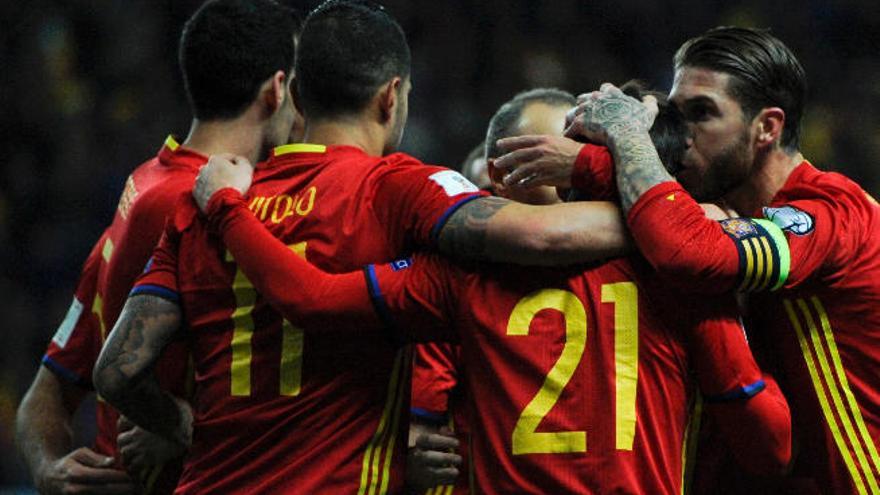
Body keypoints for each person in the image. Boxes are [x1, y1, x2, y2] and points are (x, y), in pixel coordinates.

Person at [91, 0, 653, 492]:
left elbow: (117, 370)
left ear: (297, 97)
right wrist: (668, 217)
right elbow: (541, 234)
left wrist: (184, 424)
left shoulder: (203, 202)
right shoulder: (397, 189)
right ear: (391, 98)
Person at [167, 111, 792, 492]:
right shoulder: (676, 273)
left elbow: (313, 298)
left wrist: (229, 208)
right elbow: (770, 446)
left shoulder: (457, 273)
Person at [565, 26, 880, 495]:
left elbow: (687, 252)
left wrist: (604, 156)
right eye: (677, 114)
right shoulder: (730, 215)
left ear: (767, 128)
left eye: (703, 114)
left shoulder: (832, 211)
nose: (684, 136)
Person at [15, 1, 300, 493]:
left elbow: (46, 391)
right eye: (299, 83)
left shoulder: (146, 185)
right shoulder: (198, 205)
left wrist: (47, 467)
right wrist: (180, 425)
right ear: (276, 90)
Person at [407, 87, 578, 494]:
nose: (572, 176)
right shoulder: (453, 278)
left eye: (580, 158)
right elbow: (421, 430)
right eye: (548, 160)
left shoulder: (634, 262)